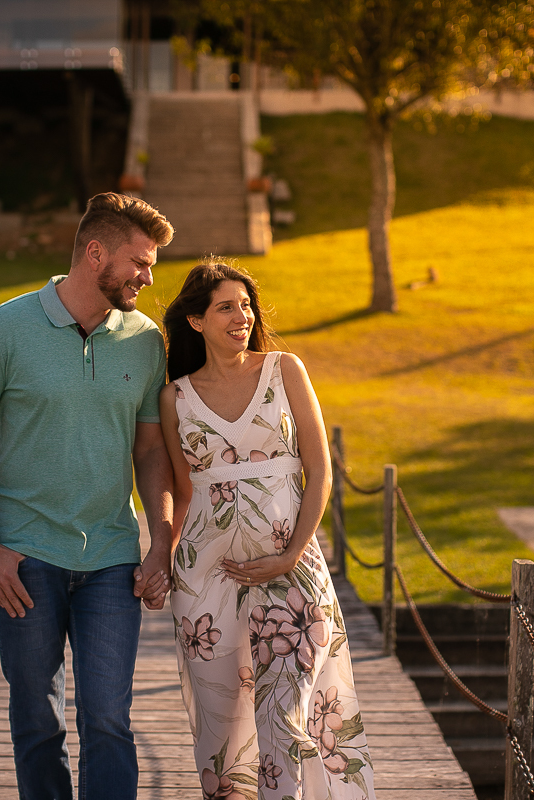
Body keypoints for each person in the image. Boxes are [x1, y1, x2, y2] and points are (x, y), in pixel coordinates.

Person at [0, 192, 177, 800]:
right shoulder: (4, 329)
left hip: (111, 559)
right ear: (95, 253)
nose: (148, 278)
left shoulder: (145, 340)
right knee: (38, 721)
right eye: (139, 263)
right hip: (25, 560)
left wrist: (162, 542)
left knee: (107, 721)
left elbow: (150, 453)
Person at [158, 260, 377, 800]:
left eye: (247, 305)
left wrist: (291, 554)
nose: (242, 316)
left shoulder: (285, 370)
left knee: (284, 721)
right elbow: (184, 492)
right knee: (222, 735)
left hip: (292, 572)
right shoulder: (174, 398)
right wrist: (160, 562)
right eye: (226, 306)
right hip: (206, 583)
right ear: (196, 322)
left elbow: (319, 470)